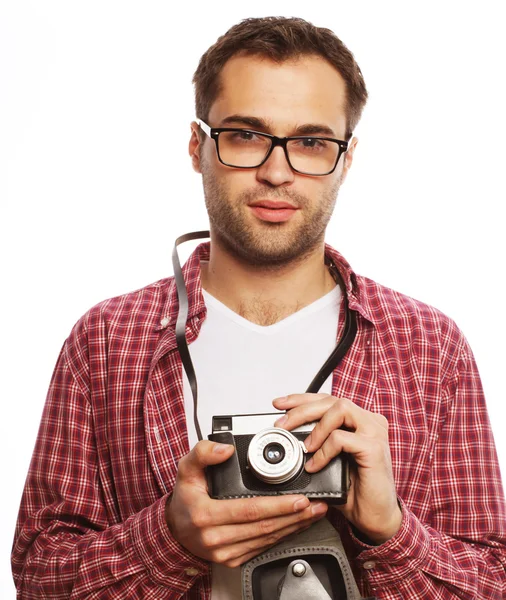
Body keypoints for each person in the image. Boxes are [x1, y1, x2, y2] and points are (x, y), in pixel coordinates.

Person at [11, 15, 506, 600]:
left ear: (346, 159)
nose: (277, 172)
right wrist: (170, 539)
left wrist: (390, 531)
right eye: (246, 135)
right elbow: (40, 578)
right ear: (198, 147)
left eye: (312, 143)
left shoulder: (429, 348)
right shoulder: (107, 341)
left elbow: (492, 582)